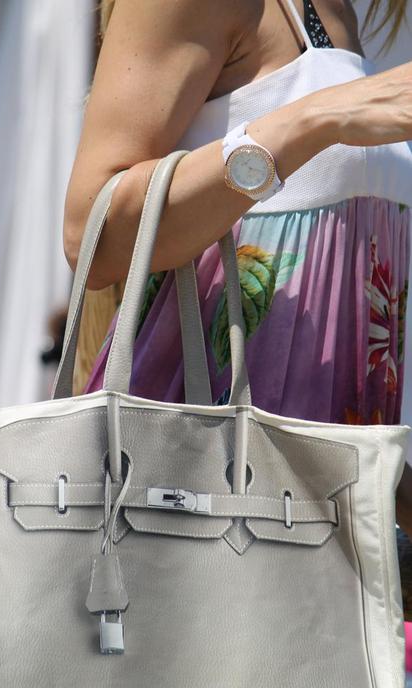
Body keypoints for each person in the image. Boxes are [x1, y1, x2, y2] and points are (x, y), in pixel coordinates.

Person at [62, 0, 412, 538]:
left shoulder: (334, 11)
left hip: (312, 513)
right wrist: (318, 118)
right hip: (191, 500)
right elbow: (93, 235)